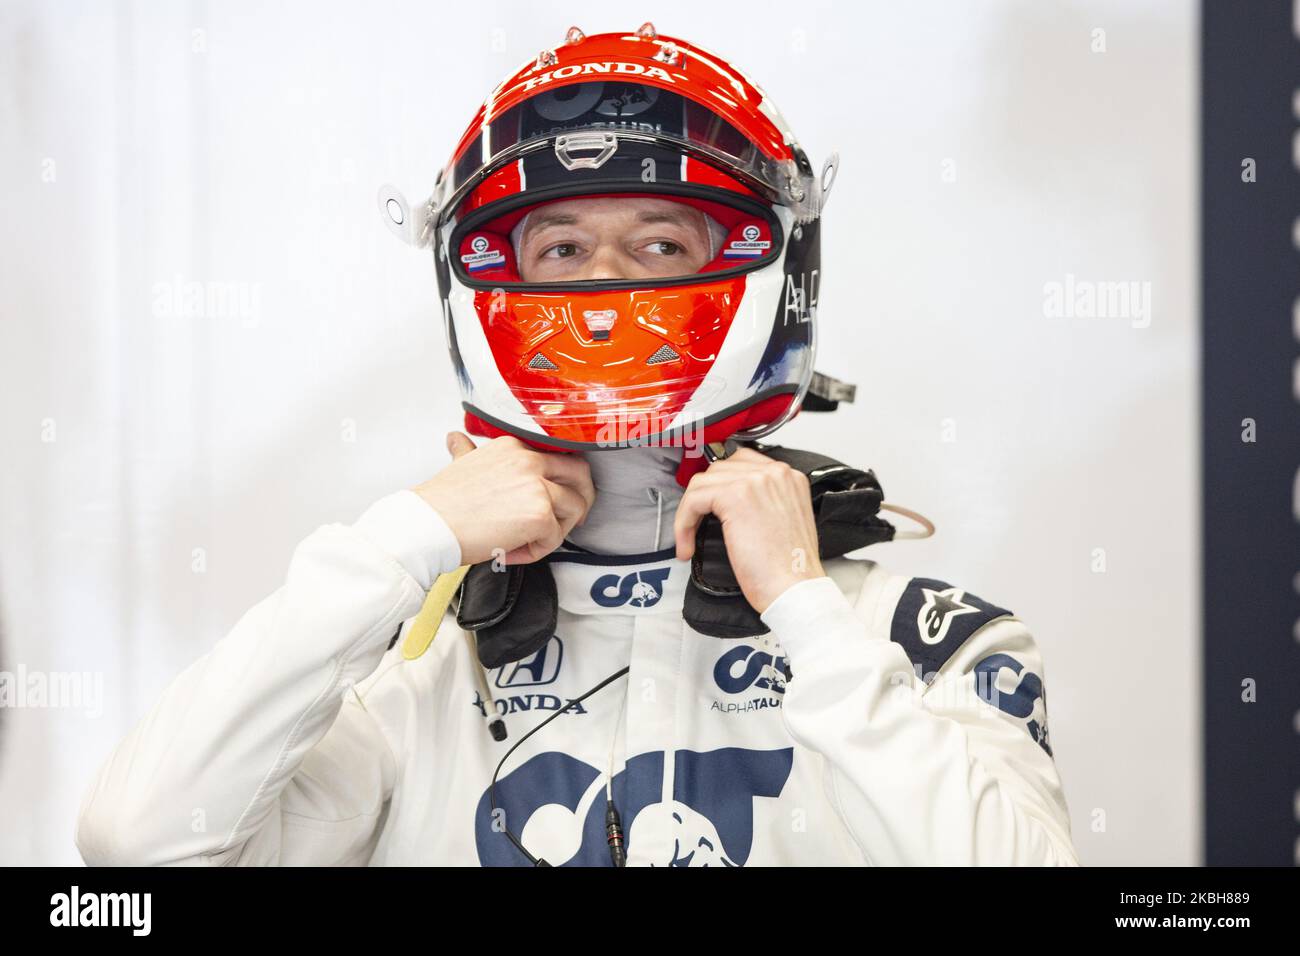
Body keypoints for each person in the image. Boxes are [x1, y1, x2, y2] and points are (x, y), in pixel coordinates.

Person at [75, 23, 1079, 866]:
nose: (603, 284)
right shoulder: (416, 674)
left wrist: (809, 616)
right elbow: (137, 841)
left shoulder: (925, 639)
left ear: (762, 270)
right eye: (557, 246)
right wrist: (407, 537)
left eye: (657, 243)